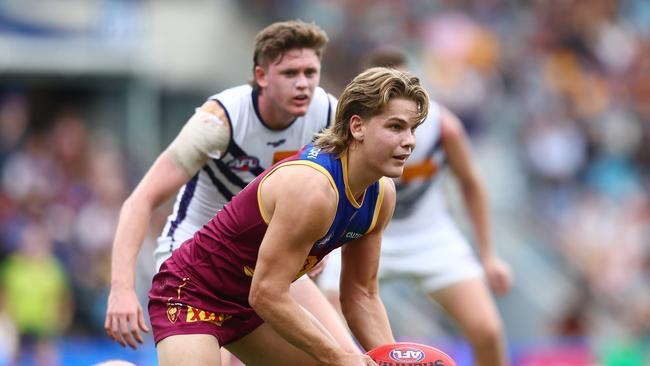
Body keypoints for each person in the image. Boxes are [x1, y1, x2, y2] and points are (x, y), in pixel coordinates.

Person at [104, 20, 358, 362]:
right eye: (290, 73)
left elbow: (334, 191)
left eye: (311, 73)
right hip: (197, 260)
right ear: (262, 76)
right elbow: (141, 200)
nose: (303, 84)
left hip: (267, 256)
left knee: (342, 355)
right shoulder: (221, 121)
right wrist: (120, 288)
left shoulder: (327, 113)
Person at [147, 67, 429, 366]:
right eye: (396, 127)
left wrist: (396, 359)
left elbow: (361, 295)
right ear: (357, 127)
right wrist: (338, 357)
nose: (409, 141)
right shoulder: (312, 188)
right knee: (338, 359)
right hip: (193, 293)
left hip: (254, 304)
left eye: (412, 129)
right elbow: (268, 293)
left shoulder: (382, 195)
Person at [318, 48, 513, 366]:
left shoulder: (443, 127)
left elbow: (471, 183)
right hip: (359, 231)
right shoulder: (343, 126)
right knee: (330, 331)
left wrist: (488, 254)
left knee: (488, 331)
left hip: (429, 234)